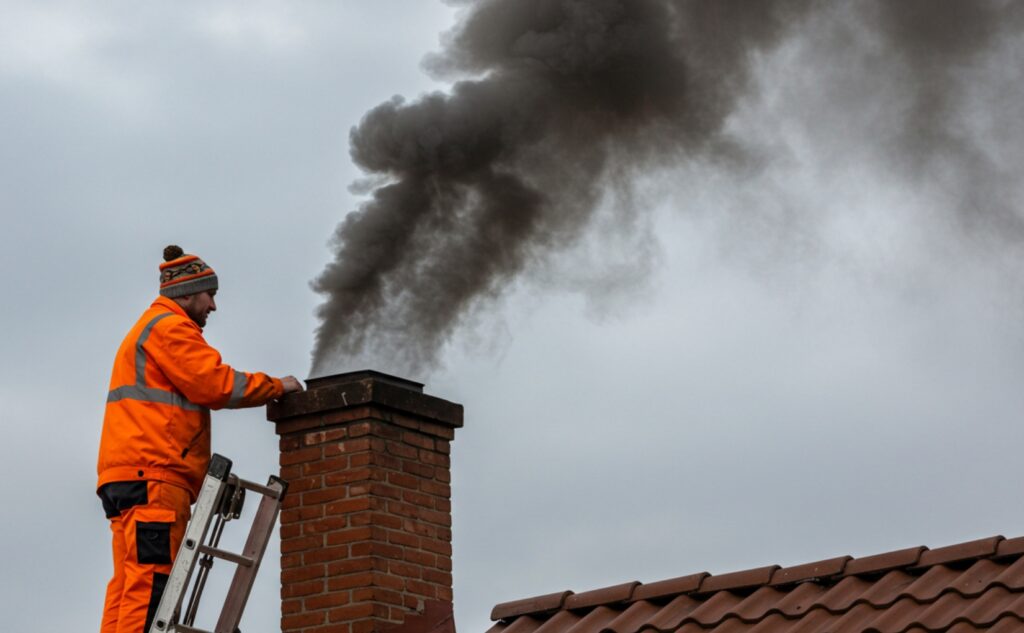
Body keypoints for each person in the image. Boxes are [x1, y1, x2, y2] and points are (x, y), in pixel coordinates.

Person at [96, 245, 303, 633]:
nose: (213, 305)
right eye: (210, 294)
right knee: (151, 583)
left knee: (128, 586)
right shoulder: (170, 327)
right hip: (156, 477)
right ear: (186, 294)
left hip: (129, 477)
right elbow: (216, 385)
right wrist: (277, 386)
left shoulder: (148, 328)